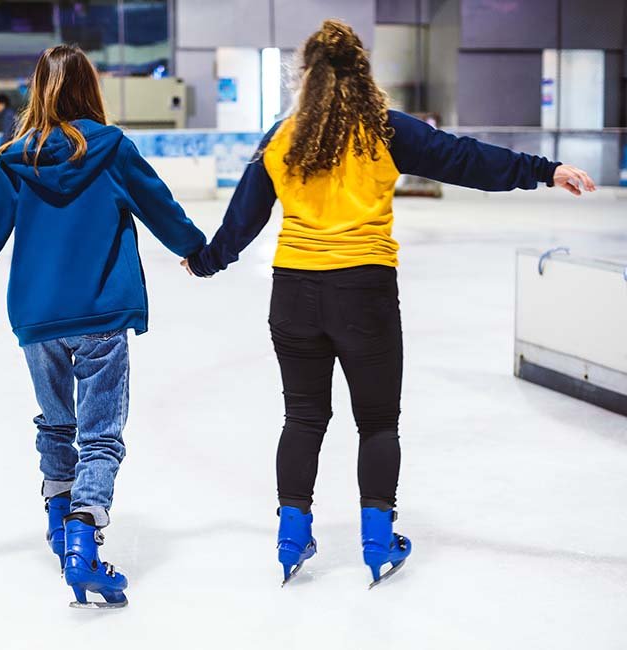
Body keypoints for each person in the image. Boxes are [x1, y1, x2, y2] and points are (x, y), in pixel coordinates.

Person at [183, 19, 596, 588]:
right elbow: (465, 159)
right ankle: (378, 541)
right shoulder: (383, 130)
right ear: (361, 73)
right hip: (364, 294)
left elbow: (242, 221)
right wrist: (544, 171)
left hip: (294, 295)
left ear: (305, 76)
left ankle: (291, 535)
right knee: (377, 422)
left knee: (303, 417)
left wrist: (205, 260)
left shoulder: (281, 137)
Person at [0, 45, 206, 608]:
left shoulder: (15, 160)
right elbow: (160, 207)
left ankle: (60, 528)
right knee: (99, 435)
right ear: (90, 88)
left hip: (38, 320)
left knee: (57, 425)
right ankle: (83, 538)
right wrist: (196, 250)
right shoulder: (112, 150)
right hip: (101, 314)